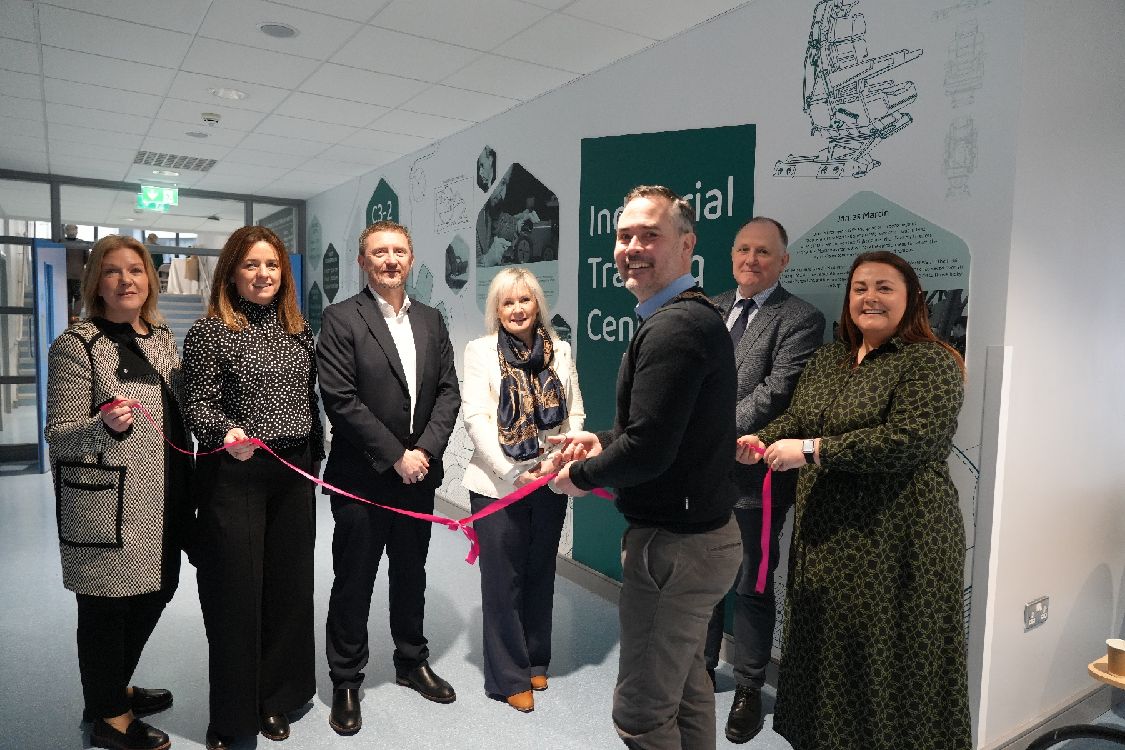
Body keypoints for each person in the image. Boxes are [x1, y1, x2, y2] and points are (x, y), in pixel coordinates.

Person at [737, 250, 971, 750]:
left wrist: (811, 451)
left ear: (910, 300)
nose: (870, 297)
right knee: (828, 653)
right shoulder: (828, 359)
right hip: (827, 539)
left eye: (885, 287)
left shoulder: (932, 361)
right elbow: (799, 422)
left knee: (893, 661)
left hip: (901, 538)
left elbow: (913, 440)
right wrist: (760, 442)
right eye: (860, 287)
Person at [551, 185, 742, 749]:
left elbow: (651, 450)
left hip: (676, 551)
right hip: (699, 541)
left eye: (649, 235)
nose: (632, 247)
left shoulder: (677, 326)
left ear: (686, 246)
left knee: (641, 714)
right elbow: (662, 430)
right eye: (624, 235)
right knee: (686, 688)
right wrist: (602, 439)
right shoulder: (686, 318)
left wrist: (579, 476)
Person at [45, 234, 192, 750]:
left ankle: (110, 687)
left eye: (136, 269)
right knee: (107, 611)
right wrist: (102, 426)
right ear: (96, 283)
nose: (126, 280)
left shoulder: (159, 334)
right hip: (108, 503)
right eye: (113, 271)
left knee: (159, 590)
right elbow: (58, 437)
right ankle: (110, 715)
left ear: (149, 279)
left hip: (165, 494)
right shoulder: (76, 343)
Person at [181, 226, 323, 750]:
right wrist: (224, 433)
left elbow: (308, 402)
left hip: (293, 472)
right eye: (251, 265)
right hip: (234, 474)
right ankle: (233, 716)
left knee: (288, 590)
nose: (263, 275)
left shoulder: (298, 330)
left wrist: (316, 459)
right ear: (231, 273)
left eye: (272, 265)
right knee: (236, 597)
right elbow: (198, 402)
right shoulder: (210, 331)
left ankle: (276, 698)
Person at [317, 220, 461, 737]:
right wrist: (396, 455)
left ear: (411, 257)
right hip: (362, 479)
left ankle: (410, 660)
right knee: (353, 580)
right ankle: (346, 679)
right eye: (379, 252)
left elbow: (448, 393)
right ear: (363, 262)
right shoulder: (340, 319)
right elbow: (340, 399)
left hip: (418, 478)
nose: (390, 260)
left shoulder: (430, 319)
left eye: (399, 251)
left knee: (410, 573)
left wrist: (423, 451)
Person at [703, 217, 825, 743]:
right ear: (731, 255)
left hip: (754, 480)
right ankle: (699, 669)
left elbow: (775, 392)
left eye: (764, 252)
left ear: (783, 261)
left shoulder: (800, 318)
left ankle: (750, 686)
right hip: (700, 479)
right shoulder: (707, 308)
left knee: (751, 583)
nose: (751, 260)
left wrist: (702, 431)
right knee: (702, 578)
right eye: (743, 250)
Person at [461, 268, 586, 713]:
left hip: (550, 480)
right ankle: (509, 674)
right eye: (507, 302)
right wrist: (513, 474)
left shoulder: (561, 350)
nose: (517, 309)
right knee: (502, 582)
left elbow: (575, 410)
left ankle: (536, 656)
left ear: (538, 305)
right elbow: (475, 418)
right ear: (497, 310)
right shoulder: (479, 352)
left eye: (525, 300)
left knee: (540, 573)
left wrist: (561, 460)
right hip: (499, 485)